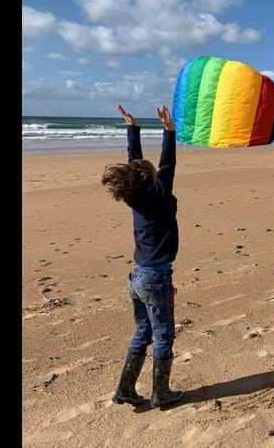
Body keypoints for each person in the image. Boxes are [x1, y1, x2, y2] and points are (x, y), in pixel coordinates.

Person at [101, 103, 184, 408]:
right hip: (156, 277)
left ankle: (125, 389)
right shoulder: (159, 195)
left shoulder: (135, 198)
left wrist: (132, 129)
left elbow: (135, 165)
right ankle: (161, 393)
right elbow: (167, 165)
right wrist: (169, 132)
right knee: (163, 335)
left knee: (143, 331)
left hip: (137, 276)